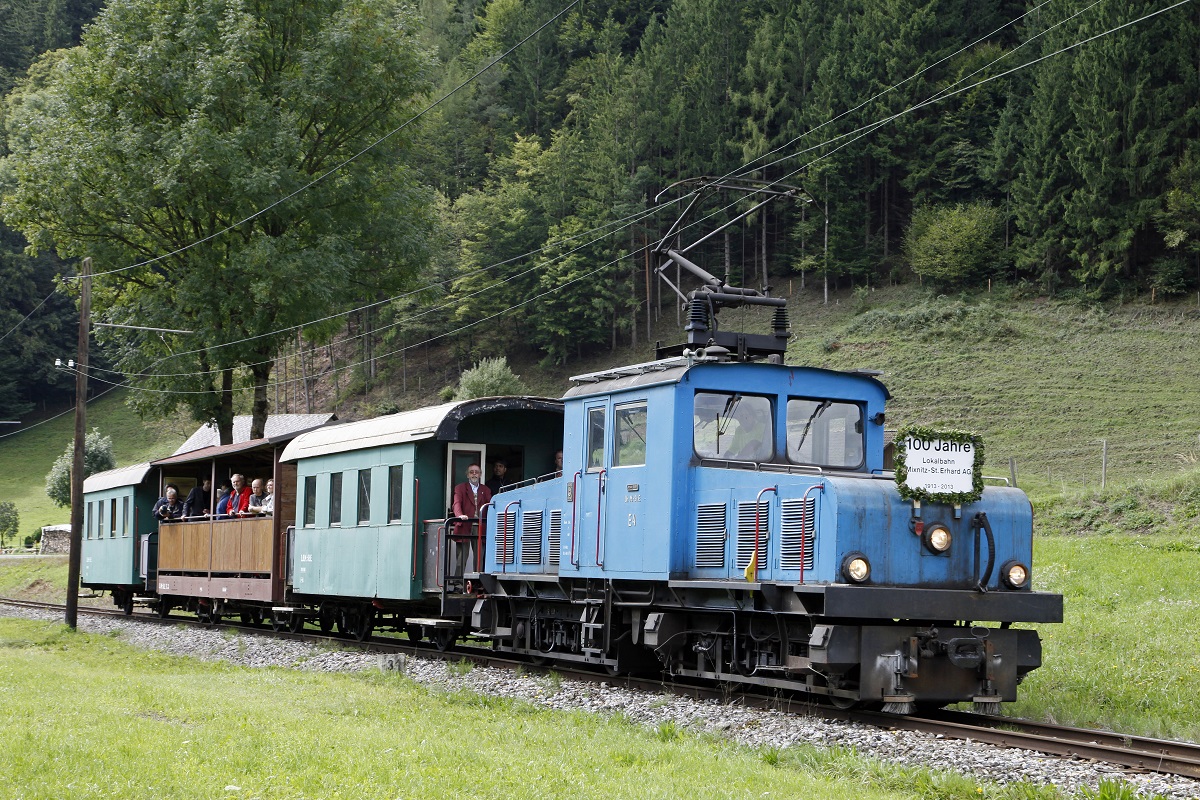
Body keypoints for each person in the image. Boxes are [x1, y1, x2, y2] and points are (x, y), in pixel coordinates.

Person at [452, 464, 492, 576]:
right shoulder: (460, 488)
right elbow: (456, 503)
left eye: (476, 472)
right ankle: (458, 582)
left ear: (480, 474)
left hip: (480, 526)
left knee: (479, 557)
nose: (474, 474)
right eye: (471, 472)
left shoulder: (485, 489)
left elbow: (490, 505)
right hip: (465, 524)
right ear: (467, 475)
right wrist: (460, 515)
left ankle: (478, 581)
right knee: (461, 557)